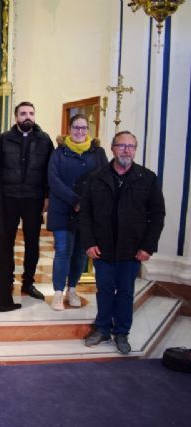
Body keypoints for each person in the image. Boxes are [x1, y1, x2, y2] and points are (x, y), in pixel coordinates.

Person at [80, 131, 165, 354]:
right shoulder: (96, 177)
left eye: (131, 146)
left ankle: (121, 333)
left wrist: (148, 246)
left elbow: (157, 215)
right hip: (103, 246)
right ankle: (102, 329)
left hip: (132, 247)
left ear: (135, 150)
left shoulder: (147, 178)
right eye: (122, 146)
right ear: (112, 148)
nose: (126, 150)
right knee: (105, 290)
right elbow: (85, 213)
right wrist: (89, 242)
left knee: (126, 291)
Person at [47, 114, 108, 310]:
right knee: (63, 251)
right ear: (69, 129)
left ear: (88, 130)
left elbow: (104, 178)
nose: (80, 131)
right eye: (76, 127)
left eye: (83, 128)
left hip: (87, 212)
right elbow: (53, 180)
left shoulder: (97, 152)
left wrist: (87, 203)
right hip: (63, 209)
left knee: (81, 253)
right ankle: (58, 293)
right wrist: (75, 200)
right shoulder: (59, 152)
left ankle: (72, 289)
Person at [0, 101, 54, 300]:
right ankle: (7, 280)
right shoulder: (4, 139)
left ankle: (28, 282)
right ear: (16, 117)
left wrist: (47, 196)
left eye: (31, 113)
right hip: (9, 197)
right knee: (7, 241)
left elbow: (50, 171)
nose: (27, 116)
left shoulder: (44, 140)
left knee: (32, 242)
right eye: (23, 113)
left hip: (34, 198)